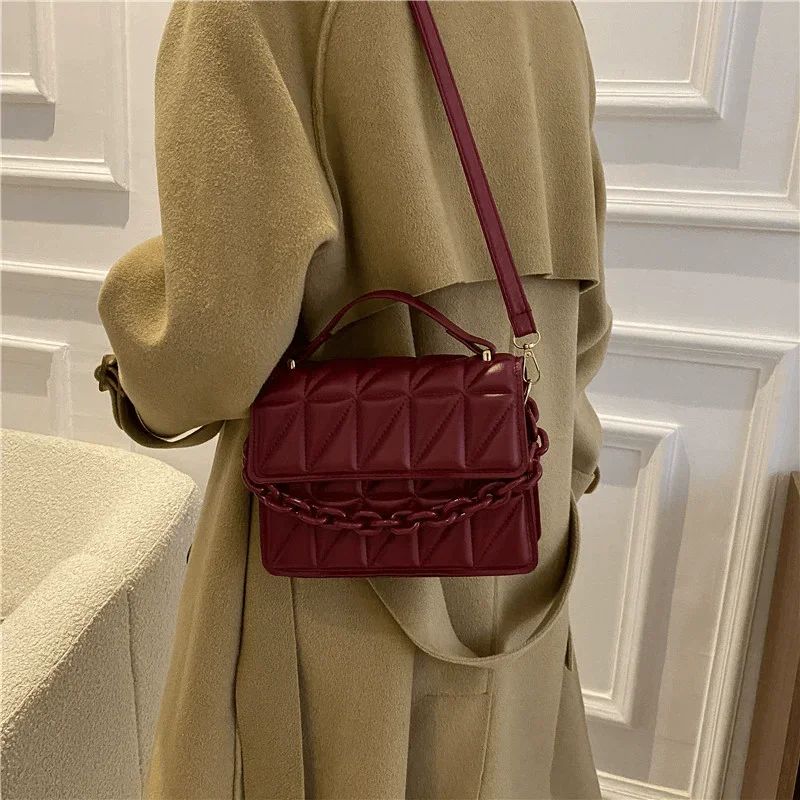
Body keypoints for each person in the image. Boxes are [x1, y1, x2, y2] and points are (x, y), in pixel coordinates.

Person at [95, 1, 613, 797]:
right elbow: (584, 312)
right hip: (522, 515)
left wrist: (132, 326)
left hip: (339, 549)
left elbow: (215, 340)